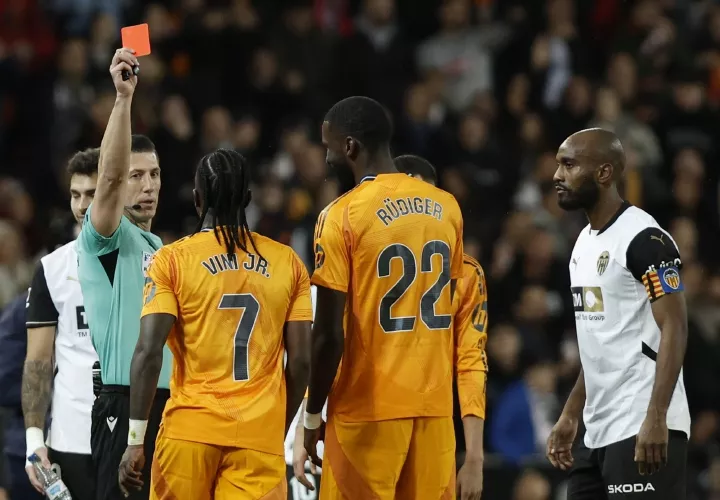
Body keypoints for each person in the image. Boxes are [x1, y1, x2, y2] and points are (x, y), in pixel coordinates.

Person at [118, 148, 312, 499]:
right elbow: (300, 362)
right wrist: (274, 428)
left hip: (188, 433)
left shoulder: (171, 260)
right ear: (249, 199)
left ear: (197, 199)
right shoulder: (289, 263)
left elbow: (148, 353)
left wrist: (135, 440)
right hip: (257, 437)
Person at [303, 96, 470, 499]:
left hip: (368, 409)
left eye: (328, 148)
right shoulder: (447, 208)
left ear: (349, 148)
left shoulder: (341, 214)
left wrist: (312, 415)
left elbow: (327, 335)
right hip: (433, 411)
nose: (326, 159)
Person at [547, 128, 690, 499]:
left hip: (643, 424)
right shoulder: (583, 243)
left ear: (604, 173)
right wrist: (571, 412)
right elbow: (601, 342)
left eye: (569, 164)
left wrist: (656, 415)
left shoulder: (645, 239)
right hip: (598, 431)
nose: (557, 176)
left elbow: (675, 325)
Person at [76, 48, 172, 500]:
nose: (148, 185)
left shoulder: (163, 248)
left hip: (172, 410)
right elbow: (109, 181)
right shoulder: (106, 237)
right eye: (137, 176)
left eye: (154, 174)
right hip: (122, 402)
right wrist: (123, 99)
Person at [23, 148, 100, 500]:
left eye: (92, 194)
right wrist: (34, 441)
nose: (82, 206)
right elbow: (38, 362)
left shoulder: (152, 263)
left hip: (135, 441)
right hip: (71, 440)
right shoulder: (52, 269)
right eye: (75, 195)